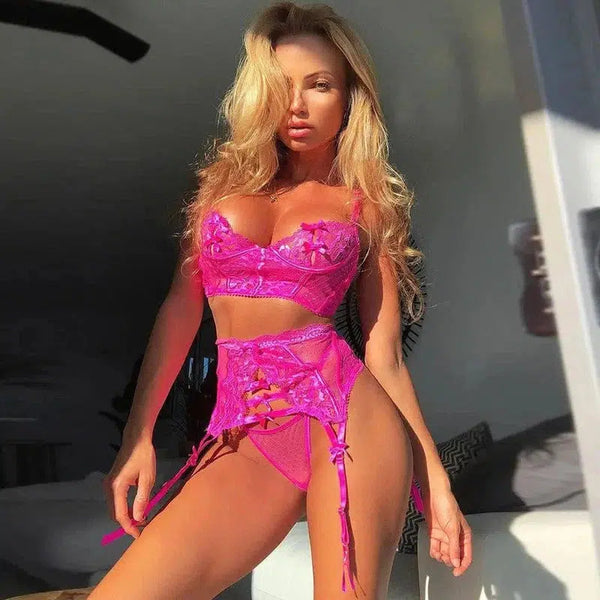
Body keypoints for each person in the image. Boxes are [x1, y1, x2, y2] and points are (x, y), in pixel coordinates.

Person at [91, 2, 472, 598]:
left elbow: (385, 356)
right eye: (280, 85)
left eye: (319, 85)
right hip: (245, 430)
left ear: (349, 97)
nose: (296, 104)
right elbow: (181, 309)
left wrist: (435, 483)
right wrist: (137, 435)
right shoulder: (218, 188)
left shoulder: (366, 205)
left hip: (349, 421)